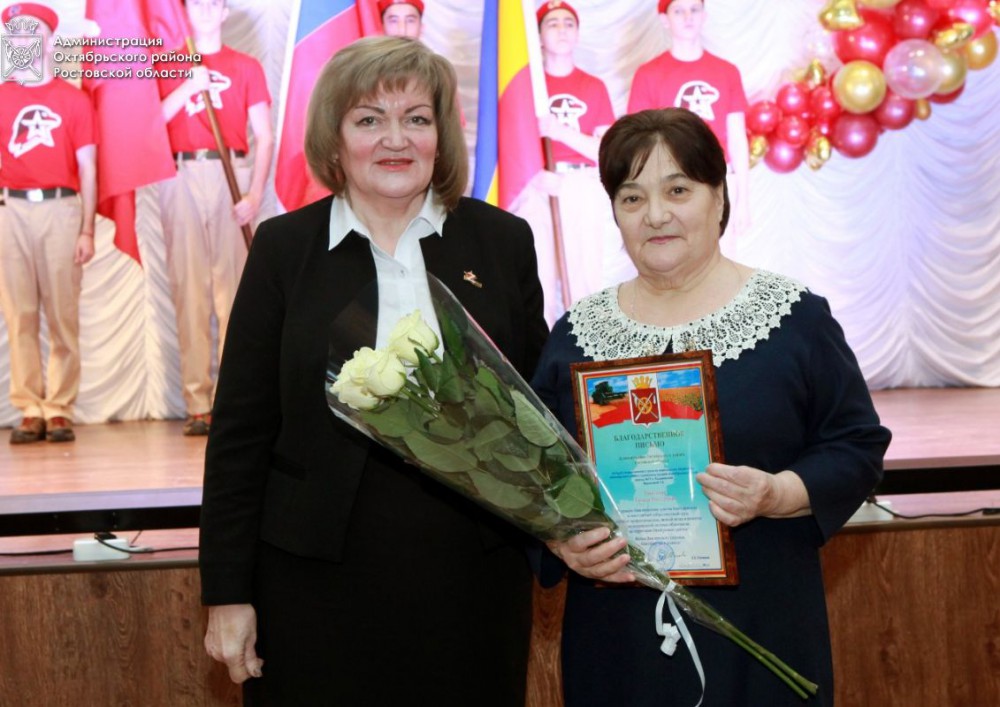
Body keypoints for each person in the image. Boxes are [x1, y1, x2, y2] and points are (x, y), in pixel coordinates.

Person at [199, 36, 547, 705]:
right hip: (312, 581)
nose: (396, 139)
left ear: (441, 137)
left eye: (416, 118)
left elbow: (538, 414)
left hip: (471, 580)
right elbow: (240, 434)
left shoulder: (501, 241)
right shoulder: (284, 249)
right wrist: (227, 591)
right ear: (335, 139)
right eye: (369, 119)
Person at [531, 108, 891, 707]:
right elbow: (537, 472)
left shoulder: (793, 319)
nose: (655, 214)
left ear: (719, 196)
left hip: (761, 629)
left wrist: (777, 494)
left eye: (678, 190)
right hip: (615, 638)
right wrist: (560, 540)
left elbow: (857, 446)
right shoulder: (576, 334)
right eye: (632, 197)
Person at [157, 0, 273, 436]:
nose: (205, 10)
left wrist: (255, 192)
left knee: (233, 291)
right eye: (197, 4)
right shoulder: (169, 63)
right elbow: (152, 122)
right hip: (181, 174)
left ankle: (232, 400)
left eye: (214, 3)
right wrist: (188, 87)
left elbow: (265, 135)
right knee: (189, 287)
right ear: (185, 12)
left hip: (232, 172)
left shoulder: (246, 66)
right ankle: (197, 402)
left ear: (224, 12)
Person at [0, 2, 97, 444]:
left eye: (33, 30)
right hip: (12, 211)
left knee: (62, 312)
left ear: (49, 40)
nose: (25, 38)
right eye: (17, 31)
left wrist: (87, 229)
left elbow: (89, 168)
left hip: (61, 209)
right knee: (19, 312)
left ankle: (59, 407)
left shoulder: (73, 99)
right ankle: (29, 407)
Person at [526, 0, 635, 326]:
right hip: (538, 186)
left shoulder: (592, 86)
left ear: (577, 33)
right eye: (553, 24)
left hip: (580, 184)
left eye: (568, 24)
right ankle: (543, 348)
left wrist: (559, 131)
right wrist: (533, 174)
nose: (562, 30)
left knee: (584, 273)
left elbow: (606, 150)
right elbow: (514, 144)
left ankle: (586, 342)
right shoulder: (528, 87)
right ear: (539, 35)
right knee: (539, 276)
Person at [627, 0, 750, 237]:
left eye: (694, 9)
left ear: (704, 15)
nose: (688, 16)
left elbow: (737, 138)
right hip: (669, 182)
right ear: (665, 20)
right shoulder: (648, 74)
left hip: (717, 177)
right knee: (675, 253)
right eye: (678, 11)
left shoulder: (727, 71)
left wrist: (742, 199)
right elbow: (639, 143)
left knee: (720, 253)